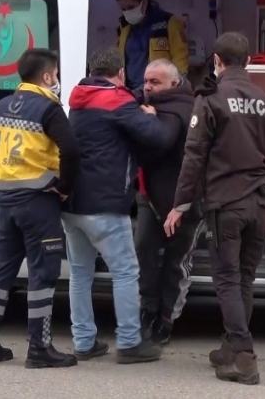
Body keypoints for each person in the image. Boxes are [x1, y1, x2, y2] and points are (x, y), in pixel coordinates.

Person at [164, 32, 265, 386]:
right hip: (258, 203)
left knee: (227, 281)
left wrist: (179, 205)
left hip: (226, 203)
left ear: (217, 61)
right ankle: (230, 347)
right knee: (244, 279)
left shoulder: (211, 99)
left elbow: (194, 158)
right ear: (247, 61)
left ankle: (244, 356)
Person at [0, 48, 80, 369]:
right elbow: (71, 150)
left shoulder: (2, 106)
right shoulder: (49, 108)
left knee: (1, 270)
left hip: (6, 201)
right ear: (46, 77)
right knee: (42, 274)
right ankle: (39, 347)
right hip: (38, 201)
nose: (57, 81)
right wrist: (64, 188)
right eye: (56, 75)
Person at [63, 47, 170, 364]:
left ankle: (84, 342)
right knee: (125, 272)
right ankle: (129, 342)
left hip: (72, 204)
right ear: (121, 73)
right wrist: (149, 115)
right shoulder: (118, 101)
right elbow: (157, 138)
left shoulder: (79, 100)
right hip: (106, 203)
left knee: (80, 275)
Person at [132, 59, 202, 346]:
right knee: (144, 254)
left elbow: (160, 140)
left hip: (185, 202)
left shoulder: (184, 111)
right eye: (146, 81)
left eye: (154, 82)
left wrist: (147, 121)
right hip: (150, 197)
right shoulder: (147, 103)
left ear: (174, 84)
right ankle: (147, 311)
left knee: (176, 263)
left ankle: (165, 321)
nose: (148, 87)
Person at [114, 0, 189, 90]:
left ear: (143, 2)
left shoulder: (169, 23)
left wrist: (173, 92)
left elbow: (181, 64)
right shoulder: (124, 29)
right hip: (129, 92)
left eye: (131, 7)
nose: (127, 12)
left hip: (159, 92)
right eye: (123, 9)